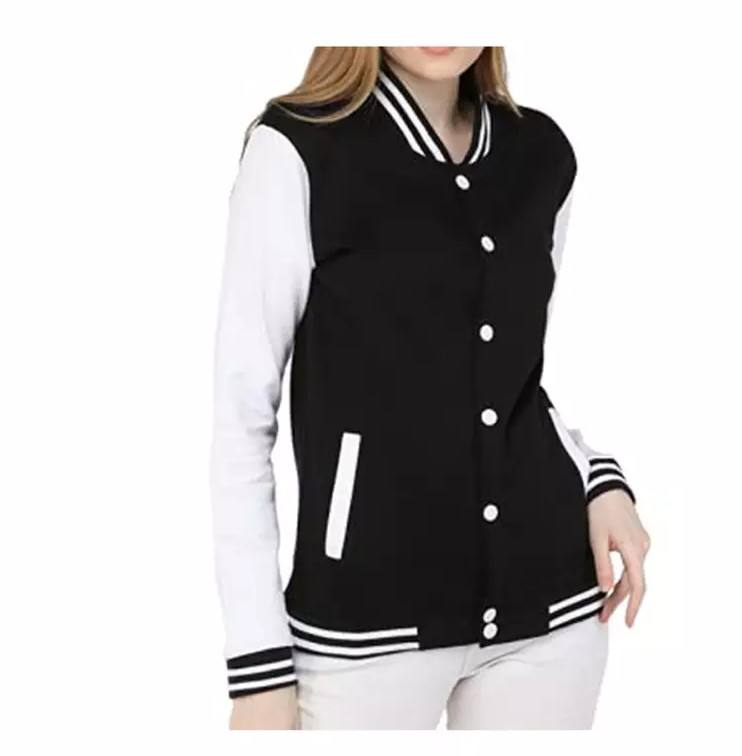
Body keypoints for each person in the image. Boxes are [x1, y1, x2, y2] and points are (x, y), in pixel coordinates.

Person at [210, 46, 651, 730]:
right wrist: (258, 666)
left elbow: (510, 378)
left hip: (553, 614)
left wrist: (599, 479)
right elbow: (242, 417)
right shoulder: (297, 150)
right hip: (364, 624)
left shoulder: (540, 154)